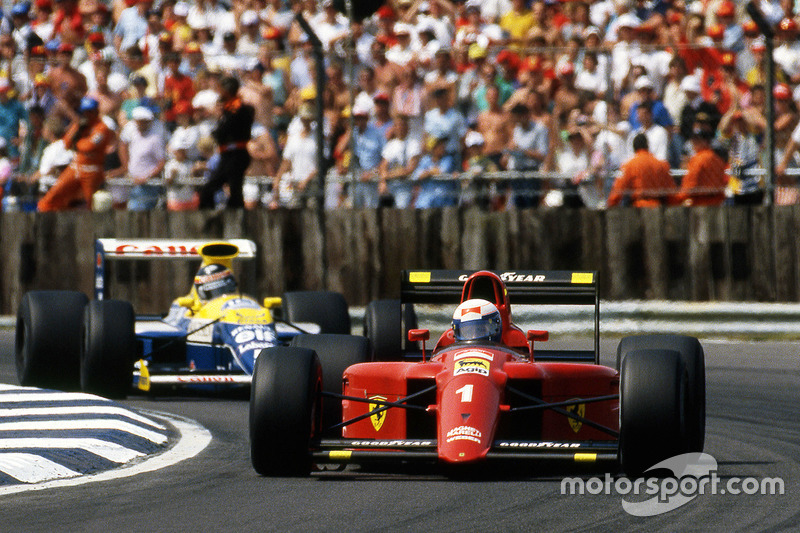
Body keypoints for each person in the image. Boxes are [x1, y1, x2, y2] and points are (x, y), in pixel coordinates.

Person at [37, 97, 113, 211]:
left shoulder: (102, 128)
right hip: (75, 167)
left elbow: (88, 147)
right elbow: (66, 144)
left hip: (92, 171)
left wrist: (76, 142)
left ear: (96, 111)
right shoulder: (79, 125)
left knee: (91, 205)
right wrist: (77, 132)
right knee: (52, 198)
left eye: (90, 111)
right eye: (85, 111)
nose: (87, 114)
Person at [199, 75, 255, 209]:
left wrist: (217, 131)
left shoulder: (236, 107)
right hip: (227, 155)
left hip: (235, 154)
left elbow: (226, 129)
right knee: (214, 191)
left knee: (234, 193)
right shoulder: (229, 108)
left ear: (227, 90)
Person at [117, 106, 167, 210]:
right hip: (133, 183)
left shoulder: (154, 139)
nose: (139, 124)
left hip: (147, 186)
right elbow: (124, 147)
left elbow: (161, 162)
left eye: (142, 122)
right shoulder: (134, 136)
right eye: (138, 121)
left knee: (139, 212)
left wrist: (147, 177)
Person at [606, 133, 676, 208]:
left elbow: (618, 190)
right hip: (658, 208)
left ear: (634, 148)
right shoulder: (662, 165)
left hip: (639, 209)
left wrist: (610, 204)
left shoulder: (628, 165)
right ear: (647, 146)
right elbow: (671, 192)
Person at [675, 119, 728, 206]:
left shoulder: (698, 159)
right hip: (718, 203)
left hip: (701, 204)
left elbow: (690, 185)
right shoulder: (718, 159)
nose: (694, 143)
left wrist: (677, 199)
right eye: (693, 140)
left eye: (698, 140)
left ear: (706, 142)